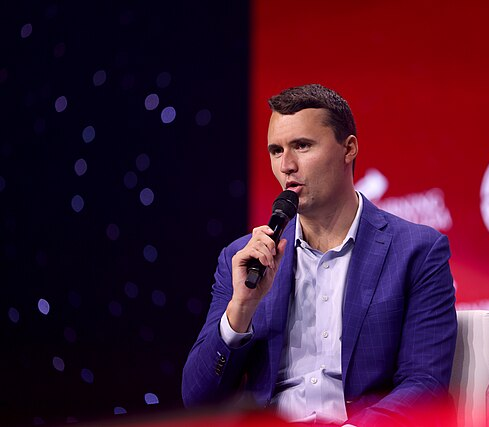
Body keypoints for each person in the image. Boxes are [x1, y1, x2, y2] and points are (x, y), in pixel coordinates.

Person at [182, 84, 457, 426]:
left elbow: (425, 384)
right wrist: (241, 308)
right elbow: (198, 399)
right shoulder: (243, 259)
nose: (287, 165)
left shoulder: (416, 251)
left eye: (302, 146)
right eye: (276, 150)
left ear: (348, 149)